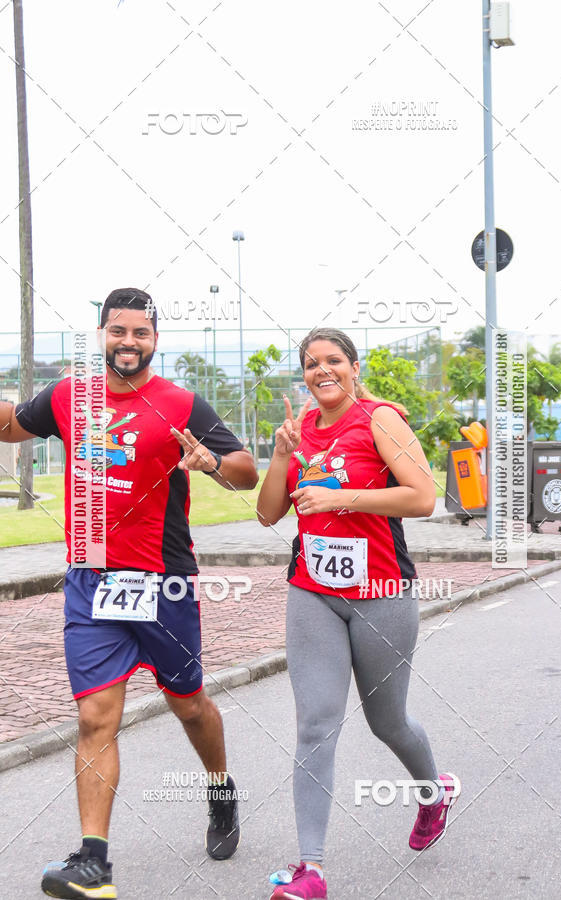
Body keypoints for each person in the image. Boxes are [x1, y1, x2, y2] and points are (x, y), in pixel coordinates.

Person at [0, 288, 258, 899]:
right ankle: (94, 864)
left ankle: (220, 790)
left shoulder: (180, 403)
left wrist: (209, 463)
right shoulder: (70, 395)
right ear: (101, 335)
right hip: (91, 582)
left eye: (140, 334)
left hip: (163, 583)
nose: (128, 343)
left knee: (189, 705)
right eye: (118, 331)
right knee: (95, 716)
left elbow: (247, 469)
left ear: (154, 342)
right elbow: (14, 428)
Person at [257, 327, 460, 900]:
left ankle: (433, 791)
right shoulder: (301, 432)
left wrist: (343, 497)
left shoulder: (378, 419)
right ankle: (311, 870)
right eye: (311, 364)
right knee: (315, 724)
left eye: (333, 361)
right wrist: (280, 456)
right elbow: (270, 513)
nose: (323, 371)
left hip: (382, 592)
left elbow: (422, 496)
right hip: (312, 591)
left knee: (387, 721)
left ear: (353, 366)